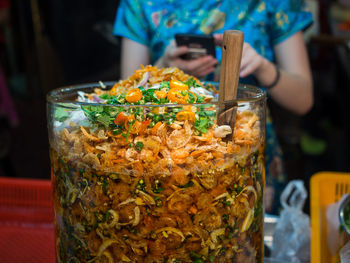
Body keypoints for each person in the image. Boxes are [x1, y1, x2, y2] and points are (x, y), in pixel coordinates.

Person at [113, 0, 313, 214]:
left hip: (244, 145)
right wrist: (164, 67)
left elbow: (303, 101)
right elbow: (122, 101)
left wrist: (263, 67)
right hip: (166, 156)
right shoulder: (141, 4)